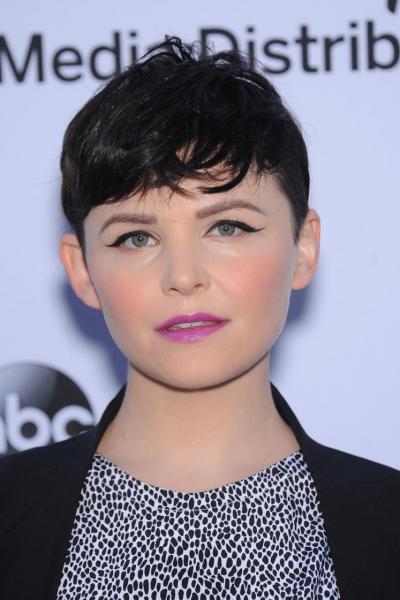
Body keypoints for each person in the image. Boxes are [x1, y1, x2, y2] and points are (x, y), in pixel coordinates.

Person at [0, 37, 399, 600]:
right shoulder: (11, 514)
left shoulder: (387, 523)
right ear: (82, 270)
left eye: (227, 227)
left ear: (304, 247)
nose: (184, 277)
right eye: (136, 237)